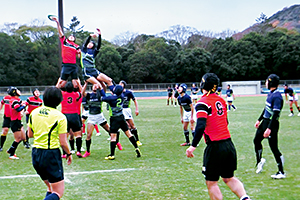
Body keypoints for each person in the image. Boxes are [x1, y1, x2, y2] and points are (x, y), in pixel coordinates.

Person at [186, 73, 251, 200]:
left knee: (211, 182)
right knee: (229, 178)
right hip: (228, 144)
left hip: (215, 147)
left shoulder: (202, 103)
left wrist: (193, 146)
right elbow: (226, 122)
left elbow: (200, 126)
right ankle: (245, 198)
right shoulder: (221, 100)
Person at [28, 86, 72, 200]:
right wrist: (69, 153)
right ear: (59, 100)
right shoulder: (60, 117)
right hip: (50, 154)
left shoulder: (34, 112)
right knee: (58, 192)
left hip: (36, 153)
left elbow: (30, 135)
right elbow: (63, 142)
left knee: (51, 188)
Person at [254, 74, 285, 179]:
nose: (266, 83)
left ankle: (281, 171)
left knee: (274, 147)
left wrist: (269, 129)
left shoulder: (277, 96)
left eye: (267, 81)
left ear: (271, 82)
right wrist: (259, 120)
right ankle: (260, 161)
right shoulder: (270, 94)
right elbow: (266, 109)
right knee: (256, 140)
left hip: (272, 123)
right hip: (265, 122)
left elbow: (275, 114)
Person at [100, 85, 141, 160]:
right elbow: (116, 90)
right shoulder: (121, 96)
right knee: (129, 134)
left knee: (113, 137)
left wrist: (100, 89)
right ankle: (136, 148)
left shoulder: (111, 98)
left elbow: (103, 98)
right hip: (121, 117)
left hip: (114, 119)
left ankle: (112, 154)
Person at [82, 84, 123, 158]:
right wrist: (86, 83)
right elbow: (82, 93)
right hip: (91, 116)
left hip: (99, 116)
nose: (94, 86)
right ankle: (88, 151)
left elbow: (103, 88)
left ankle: (117, 142)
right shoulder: (89, 95)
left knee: (110, 130)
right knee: (88, 135)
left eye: (96, 85)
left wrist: (100, 84)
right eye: (93, 85)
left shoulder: (100, 94)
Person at [51, 16, 81, 89]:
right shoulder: (65, 42)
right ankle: (54, 92)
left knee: (76, 82)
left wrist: (79, 53)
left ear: (74, 39)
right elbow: (60, 31)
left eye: (73, 36)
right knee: (61, 82)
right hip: (66, 65)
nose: (71, 37)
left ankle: (82, 94)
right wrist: (57, 23)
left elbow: (79, 57)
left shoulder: (76, 46)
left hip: (73, 65)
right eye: (70, 36)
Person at [81, 29, 115, 93]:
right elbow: (85, 44)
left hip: (93, 70)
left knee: (108, 81)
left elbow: (99, 46)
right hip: (87, 71)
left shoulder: (93, 52)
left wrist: (99, 35)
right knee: (99, 85)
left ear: (93, 45)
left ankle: (115, 95)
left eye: (91, 43)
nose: (89, 44)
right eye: (89, 43)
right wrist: (90, 36)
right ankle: (102, 98)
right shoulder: (84, 50)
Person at [60, 82, 83, 158]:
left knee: (64, 135)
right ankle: (78, 151)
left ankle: (64, 153)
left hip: (65, 115)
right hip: (74, 115)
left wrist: (61, 82)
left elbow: (57, 89)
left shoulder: (62, 94)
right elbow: (81, 92)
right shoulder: (76, 94)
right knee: (78, 135)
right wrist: (78, 84)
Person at [119, 80, 142, 146]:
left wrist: (136, 109)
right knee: (127, 126)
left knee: (132, 126)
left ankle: (137, 140)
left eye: (121, 84)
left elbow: (135, 100)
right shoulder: (118, 93)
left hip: (127, 110)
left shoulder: (128, 93)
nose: (119, 85)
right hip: (121, 110)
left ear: (124, 85)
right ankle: (133, 140)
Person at [6, 87, 26, 159]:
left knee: (23, 137)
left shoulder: (16, 100)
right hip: (15, 121)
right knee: (18, 138)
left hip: (18, 120)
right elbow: (18, 109)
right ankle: (12, 154)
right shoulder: (14, 101)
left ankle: (11, 149)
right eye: (17, 90)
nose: (19, 91)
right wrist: (24, 105)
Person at [0, 87, 12, 152]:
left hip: (14, 117)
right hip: (7, 117)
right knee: (5, 131)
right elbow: (2, 103)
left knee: (20, 133)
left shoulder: (16, 99)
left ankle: (25, 142)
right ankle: (0, 146)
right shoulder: (6, 98)